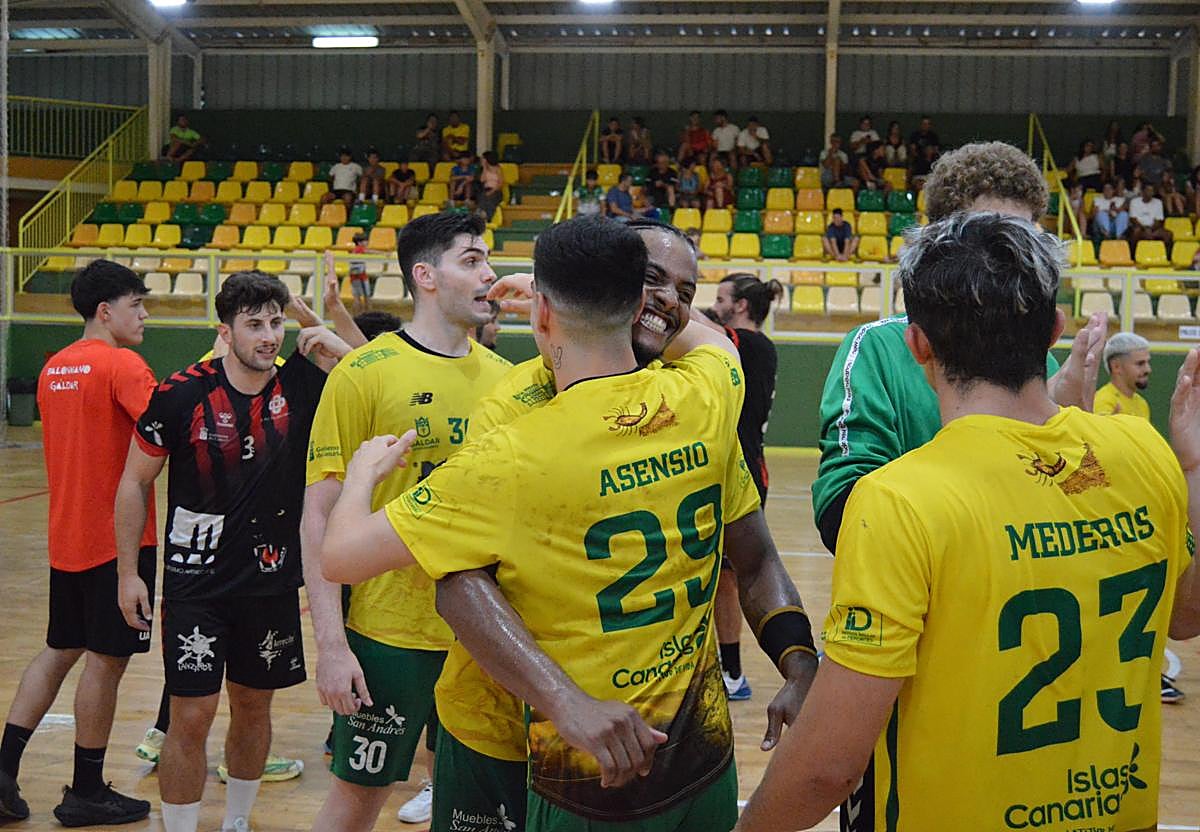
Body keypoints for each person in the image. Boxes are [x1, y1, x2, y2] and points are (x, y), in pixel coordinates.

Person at [319, 214, 818, 832]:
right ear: (629, 297)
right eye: (653, 283)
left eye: (684, 294)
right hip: (512, 725)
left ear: (545, 308)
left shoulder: (520, 446)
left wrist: (363, 472)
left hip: (597, 755)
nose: (668, 302)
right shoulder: (706, 396)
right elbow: (462, 584)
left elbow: (341, 554)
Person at [736, 209, 1200, 832]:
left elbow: (827, 768)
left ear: (918, 342)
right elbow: (1186, 617)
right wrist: (1193, 467)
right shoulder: (1145, 451)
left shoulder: (897, 498)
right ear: (1055, 328)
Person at [113, 272, 349, 832]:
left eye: (275, 323)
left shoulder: (302, 385)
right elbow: (132, 483)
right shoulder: (179, 393)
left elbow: (377, 377)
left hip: (270, 583)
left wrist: (324, 329)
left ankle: (237, 822)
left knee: (253, 707)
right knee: (190, 715)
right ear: (225, 331)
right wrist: (129, 573)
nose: (269, 336)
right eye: (254, 325)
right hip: (195, 585)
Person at [302, 212, 512, 832]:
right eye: (471, 260)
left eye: (487, 260)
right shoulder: (362, 374)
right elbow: (318, 518)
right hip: (389, 635)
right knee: (357, 799)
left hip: (484, 636)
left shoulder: (512, 384)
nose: (489, 274)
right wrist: (333, 647)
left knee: (475, 812)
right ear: (425, 275)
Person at [812, 141, 1106, 559]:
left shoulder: (1046, 359)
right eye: (991, 232)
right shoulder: (876, 349)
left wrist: (1076, 433)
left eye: (1025, 238)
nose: (1010, 259)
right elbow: (841, 515)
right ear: (939, 243)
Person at [0, 261, 155, 825]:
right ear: (106, 311)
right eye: (137, 306)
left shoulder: (53, 368)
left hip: (65, 536)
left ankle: (4, 770)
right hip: (118, 543)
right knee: (107, 661)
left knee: (59, 648)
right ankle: (86, 788)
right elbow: (172, 434)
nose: (145, 316)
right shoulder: (122, 364)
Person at [709, 273, 784, 702]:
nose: (713, 304)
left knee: (730, 580)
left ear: (739, 308)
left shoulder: (749, 344)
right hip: (729, 469)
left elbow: (691, 325)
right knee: (720, 579)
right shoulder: (744, 345)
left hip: (745, 474)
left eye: (720, 298)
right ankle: (723, 669)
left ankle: (732, 672)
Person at [1130, 183, 1173, 248]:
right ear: (1143, 191)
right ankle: (1133, 254)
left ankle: (1164, 253)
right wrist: (1145, 229)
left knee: (1168, 234)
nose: (1150, 192)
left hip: (1153, 229)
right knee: (1136, 231)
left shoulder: (1158, 202)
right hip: (1140, 228)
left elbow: (1158, 220)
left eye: (1152, 191)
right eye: (1148, 190)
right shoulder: (1134, 202)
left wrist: (1150, 229)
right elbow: (1133, 219)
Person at [477, 151, 505, 222]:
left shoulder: (498, 169)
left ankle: (488, 218)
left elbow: (500, 183)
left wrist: (492, 191)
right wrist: (484, 168)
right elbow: (482, 180)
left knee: (490, 200)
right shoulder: (484, 169)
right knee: (483, 197)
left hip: (496, 190)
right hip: (486, 189)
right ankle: (481, 215)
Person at [349, 233, 370, 314]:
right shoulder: (359, 249)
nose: (367, 242)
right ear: (359, 242)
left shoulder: (355, 250)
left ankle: (358, 316)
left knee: (358, 297)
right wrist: (384, 254)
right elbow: (370, 252)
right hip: (359, 277)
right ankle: (363, 315)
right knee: (363, 298)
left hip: (356, 277)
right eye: (365, 241)